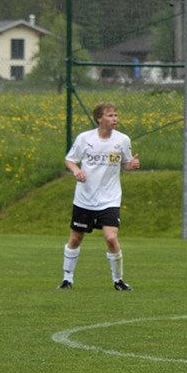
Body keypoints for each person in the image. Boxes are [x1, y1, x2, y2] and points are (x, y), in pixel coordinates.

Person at [57, 102, 140, 291]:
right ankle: (67, 279)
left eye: (116, 115)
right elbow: (70, 159)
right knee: (76, 239)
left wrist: (132, 164)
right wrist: (77, 170)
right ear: (99, 118)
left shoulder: (122, 140)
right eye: (110, 115)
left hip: (110, 198)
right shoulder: (84, 138)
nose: (115, 119)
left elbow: (125, 163)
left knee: (111, 238)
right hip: (85, 198)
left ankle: (118, 280)